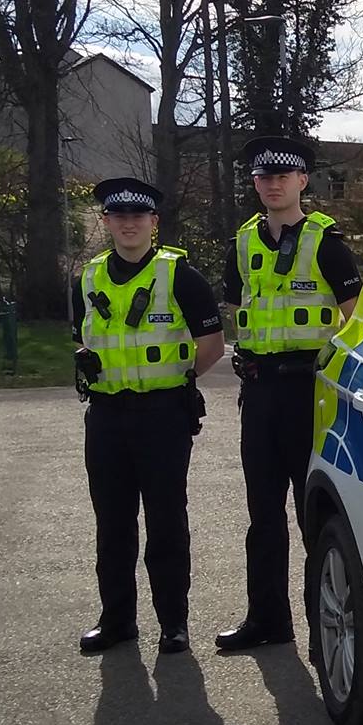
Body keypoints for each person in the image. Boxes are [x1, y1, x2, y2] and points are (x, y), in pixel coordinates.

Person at [215, 136, 363, 652]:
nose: (272, 184)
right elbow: (239, 313)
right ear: (254, 183)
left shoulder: (326, 242)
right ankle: (268, 621)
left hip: (310, 395)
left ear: (303, 181)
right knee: (263, 514)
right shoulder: (241, 243)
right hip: (258, 395)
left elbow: (356, 323)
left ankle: (324, 629)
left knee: (313, 515)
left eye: (282, 176)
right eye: (262, 177)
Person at [75, 177, 226, 655]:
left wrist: (178, 380)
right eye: (118, 217)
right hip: (105, 416)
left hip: (162, 415)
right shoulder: (88, 276)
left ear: (153, 223)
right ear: (106, 222)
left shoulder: (180, 275)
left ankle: (173, 624)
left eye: (137, 217)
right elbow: (79, 337)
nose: (128, 225)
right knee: (112, 523)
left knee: (165, 521)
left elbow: (212, 346)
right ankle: (117, 621)